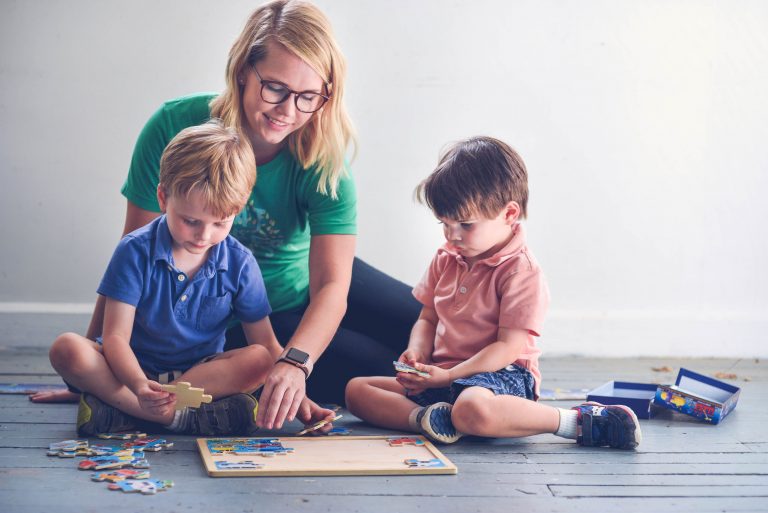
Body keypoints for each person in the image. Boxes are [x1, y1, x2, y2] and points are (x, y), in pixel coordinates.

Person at [33, 0, 421, 424]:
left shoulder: (323, 159)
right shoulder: (172, 127)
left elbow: (332, 285)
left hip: (304, 279)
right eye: (275, 88)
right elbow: (133, 253)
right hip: (229, 313)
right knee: (384, 369)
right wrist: (92, 371)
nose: (288, 111)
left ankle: (497, 385)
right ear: (242, 71)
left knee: (429, 332)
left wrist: (296, 363)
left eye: (308, 96)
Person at [345, 137, 642, 450]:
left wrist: (450, 377)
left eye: (465, 224)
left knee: (473, 408)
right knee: (357, 390)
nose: (452, 235)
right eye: (444, 223)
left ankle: (577, 422)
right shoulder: (446, 257)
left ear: (509, 214)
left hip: (500, 375)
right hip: (445, 375)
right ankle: (428, 418)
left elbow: (508, 347)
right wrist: (417, 352)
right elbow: (428, 317)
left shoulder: (520, 270)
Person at [50, 120, 331, 436]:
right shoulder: (134, 250)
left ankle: (128, 410)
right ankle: (162, 414)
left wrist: (297, 394)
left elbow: (265, 344)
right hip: (130, 369)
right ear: (163, 198)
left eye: (220, 223)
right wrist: (139, 385)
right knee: (67, 348)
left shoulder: (240, 262)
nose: (204, 235)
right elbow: (115, 337)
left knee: (263, 360)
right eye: (190, 221)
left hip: (198, 376)